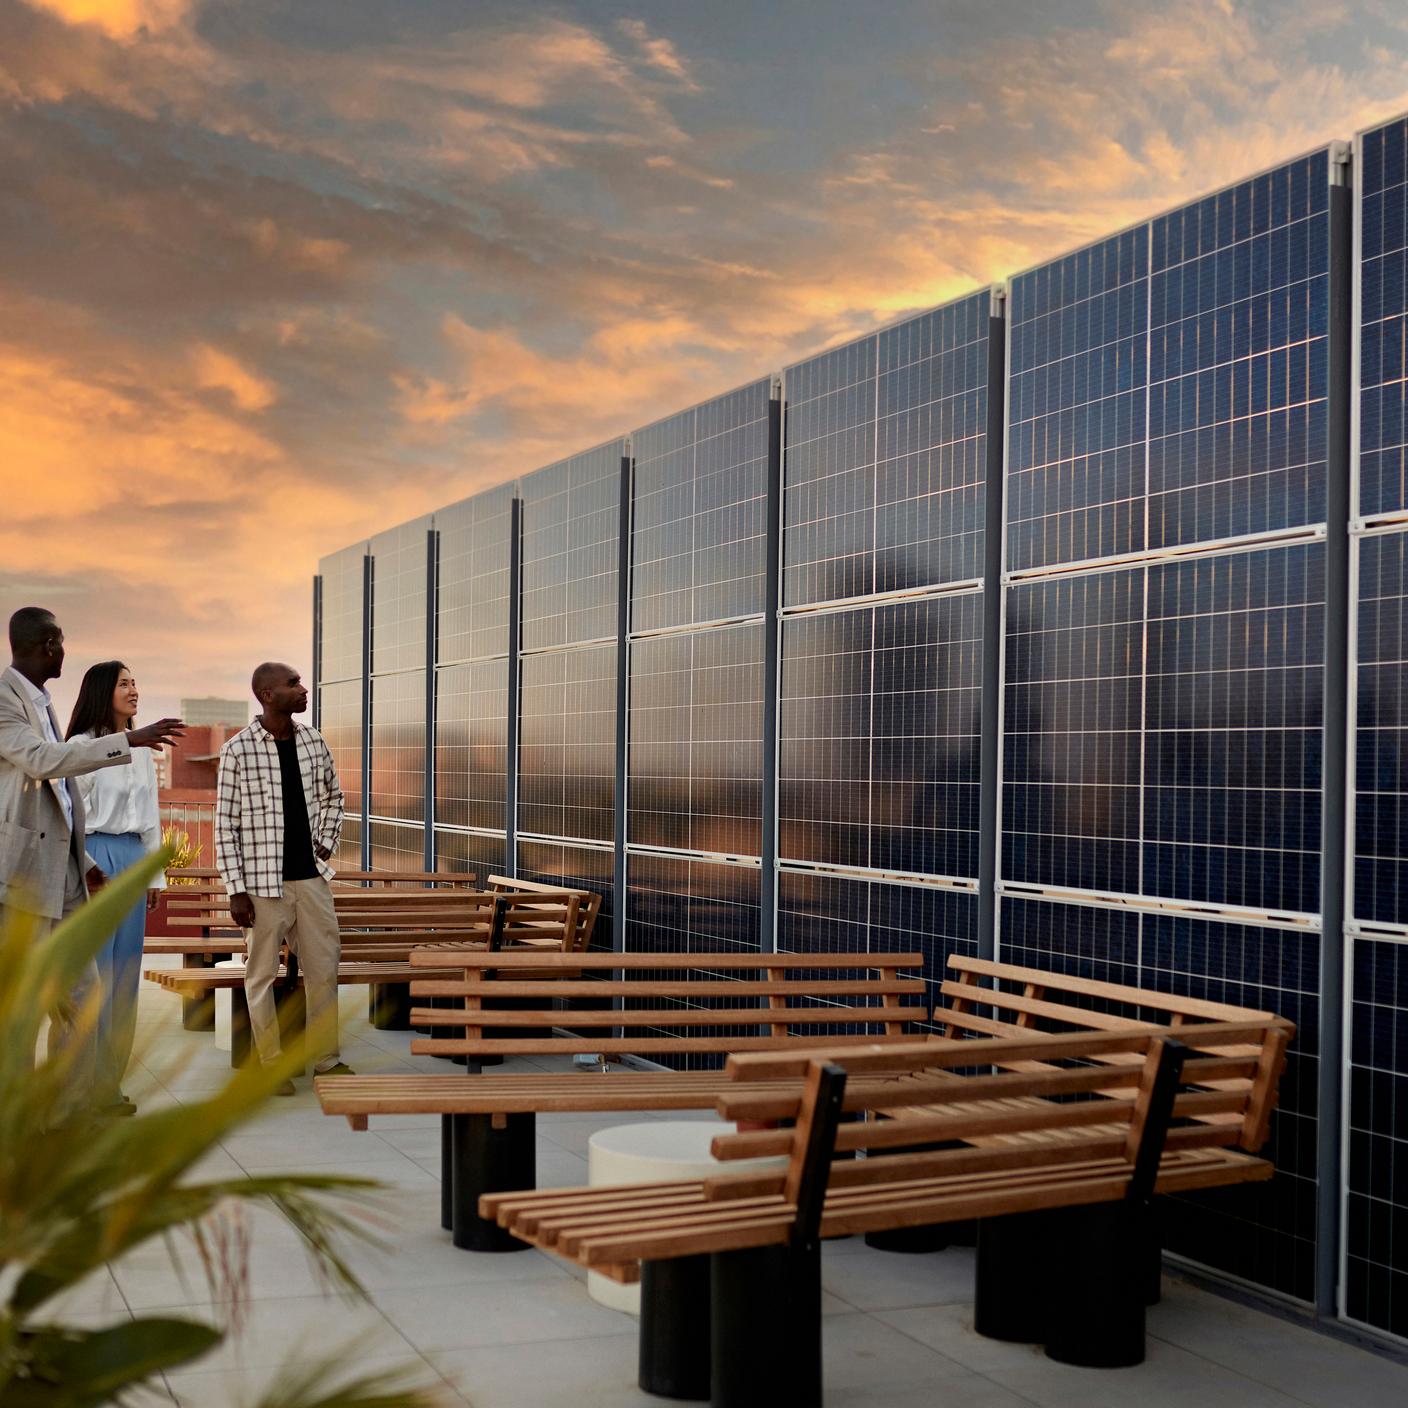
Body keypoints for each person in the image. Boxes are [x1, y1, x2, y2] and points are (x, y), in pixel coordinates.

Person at [0, 607, 183, 1121]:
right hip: (33, 874)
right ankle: (34, 1114)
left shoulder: (41, 703)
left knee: (99, 987)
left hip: (86, 866)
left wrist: (110, 867)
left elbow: (122, 812)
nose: (65, 651)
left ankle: (79, 1102)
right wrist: (129, 740)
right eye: (61, 642)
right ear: (47, 644)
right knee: (33, 1004)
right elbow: (44, 766)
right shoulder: (11, 704)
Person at [214, 662, 351, 1093]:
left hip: (311, 880)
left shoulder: (313, 741)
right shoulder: (238, 750)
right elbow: (225, 826)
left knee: (323, 970)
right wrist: (236, 890)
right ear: (267, 694)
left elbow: (334, 795)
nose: (302, 688)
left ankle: (326, 1061)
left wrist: (325, 840)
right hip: (260, 886)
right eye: (293, 684)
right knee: (260, 977)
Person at [66, 661, 166, 1116]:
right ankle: (81, 1090)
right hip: (94, 862)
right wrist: (88, 866)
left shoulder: (142, 750)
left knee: (125, 979)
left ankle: (110, 1088)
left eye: (135, 681)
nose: (134, 689)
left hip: (131, 861)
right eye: (124, 683)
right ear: (102, 690)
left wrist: (154, 874)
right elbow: (70, 820)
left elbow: (151, 818)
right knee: (95, 980)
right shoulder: (81, 748)